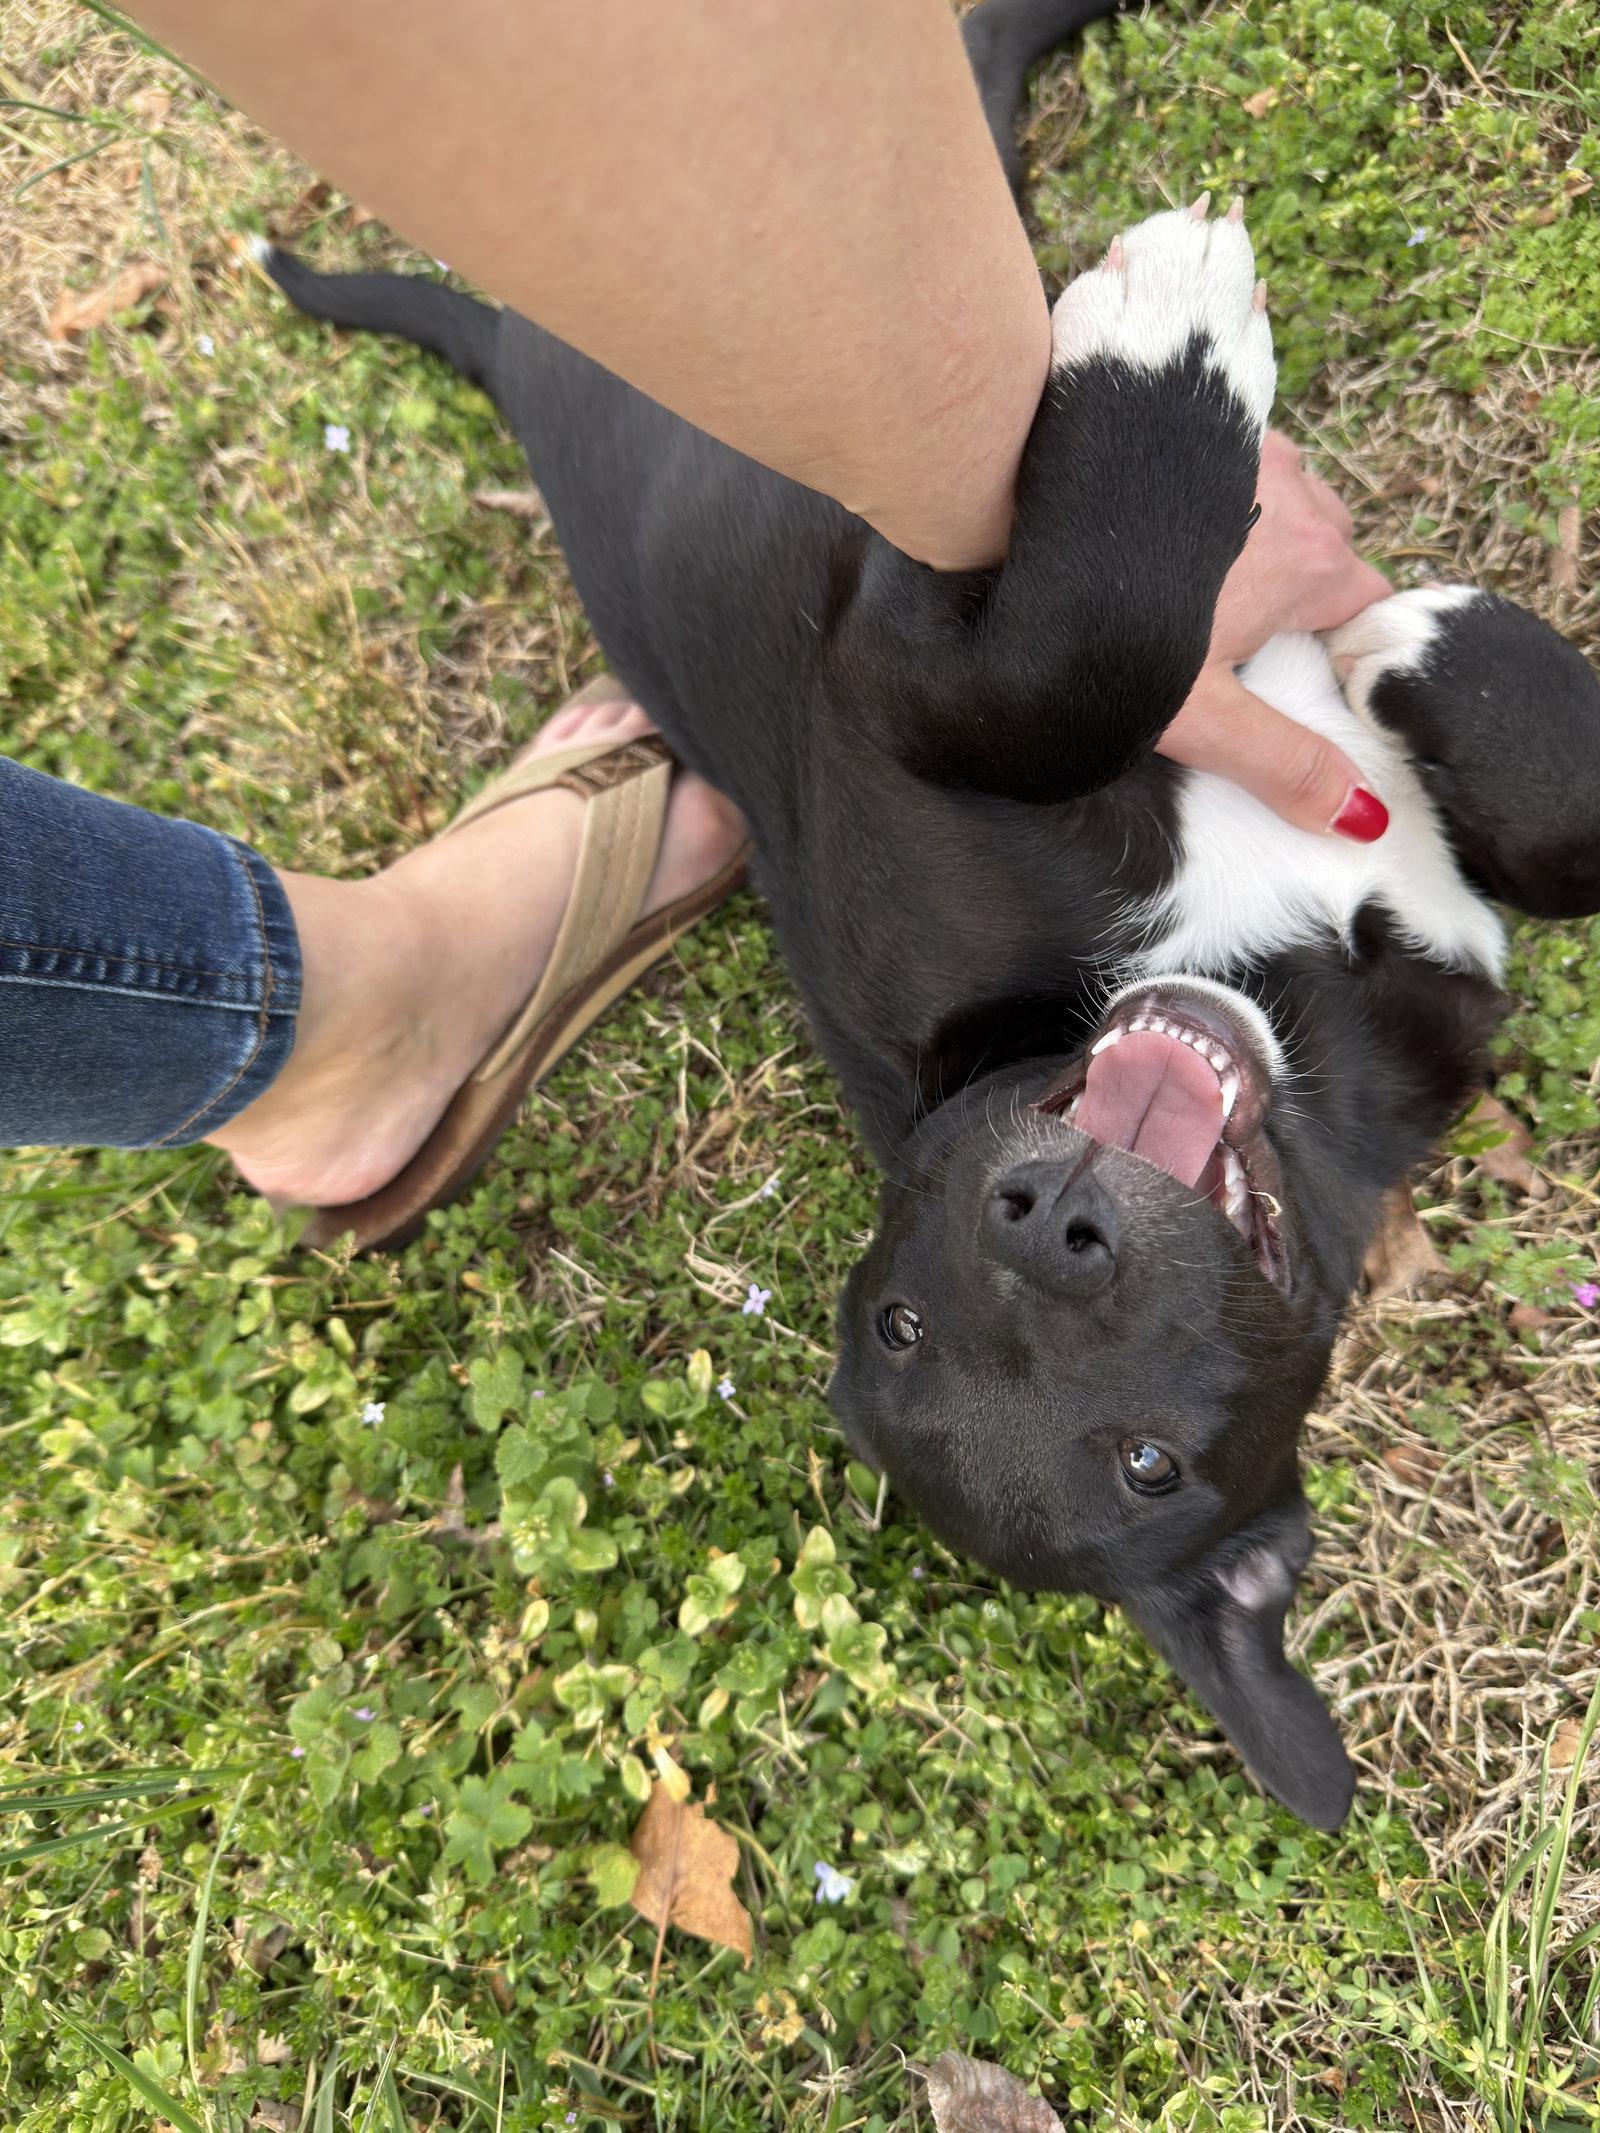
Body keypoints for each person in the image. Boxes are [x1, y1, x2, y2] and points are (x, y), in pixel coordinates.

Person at [5, 0, 1390, 1249]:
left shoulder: (964, 987)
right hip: (664, 442)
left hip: (687, 426)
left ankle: (312, 1023)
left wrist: (1047, 566)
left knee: (789, 297)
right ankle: (319, 1029)